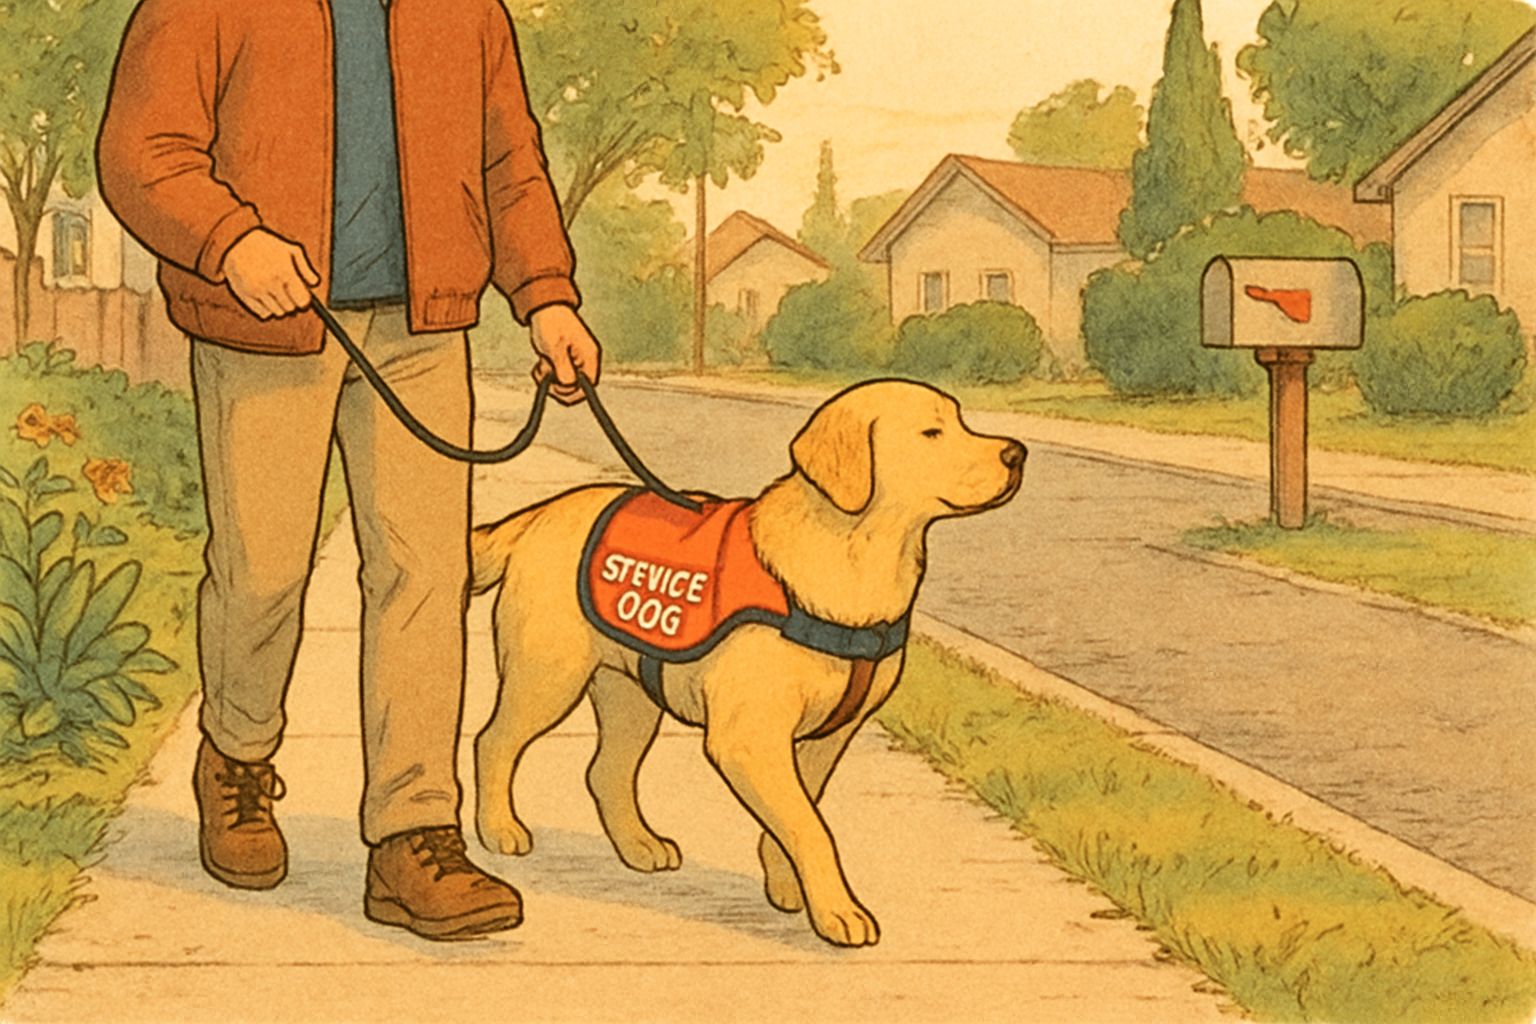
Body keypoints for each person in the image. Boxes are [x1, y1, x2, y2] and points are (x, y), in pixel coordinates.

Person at [97, 0, 600, 940]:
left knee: (427, 575)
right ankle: (237, 759)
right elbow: (141, 153)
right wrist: (230, 241)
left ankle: (414, 833)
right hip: (264, 326)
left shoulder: (467, 11)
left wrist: (546, 296)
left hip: (424, 322)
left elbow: (511, 161)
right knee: (265, 568)